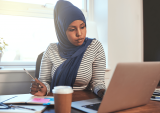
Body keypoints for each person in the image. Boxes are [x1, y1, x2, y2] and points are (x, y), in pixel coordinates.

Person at [30, 0, 106, 98]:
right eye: (72, 29)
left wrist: (103, 92)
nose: (79, 33)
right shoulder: (51, 50)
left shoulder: (95, 47)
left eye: (82, 27)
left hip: (83, 101)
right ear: (62, 30)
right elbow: (45, 82)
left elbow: (97, 83)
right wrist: (42, 89)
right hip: (57, 101)